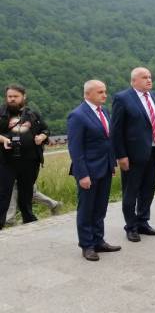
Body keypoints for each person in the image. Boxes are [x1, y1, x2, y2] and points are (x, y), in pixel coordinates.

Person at [67, 80, 120, 261]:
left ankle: (99, 240)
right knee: (87, 209)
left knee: (100, 207)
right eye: (100, 92)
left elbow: (108, 141)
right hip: (88, 170)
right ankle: (87, 245)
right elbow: (75, 149)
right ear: (88, 94)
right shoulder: (77, 115)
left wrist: (111, 164)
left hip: (104, 167)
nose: (105, 95)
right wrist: (82, 174)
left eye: (105, 91)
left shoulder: (104, 111)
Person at [110, 67, 155, 242]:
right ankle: (131, 226)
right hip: (132, 155)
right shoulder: (122, 98)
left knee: (148, 190)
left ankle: (143, 222)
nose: (149, 80)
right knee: (131, 191)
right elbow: (116, 130)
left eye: (150, 77)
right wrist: (121, 155)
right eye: (144, 77)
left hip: (154, 151)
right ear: (134, 81)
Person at [0, 84, 50, 230]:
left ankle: (28, 218)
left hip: (30, 160)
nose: (12, 99)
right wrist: (4, 140)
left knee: (27, 192)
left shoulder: (32, 114)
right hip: (6, 161)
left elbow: (46, 129)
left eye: (15, 96)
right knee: (3, 192)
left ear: (24, 96)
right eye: (9, 96)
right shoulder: (1, 113)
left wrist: (42, 136)